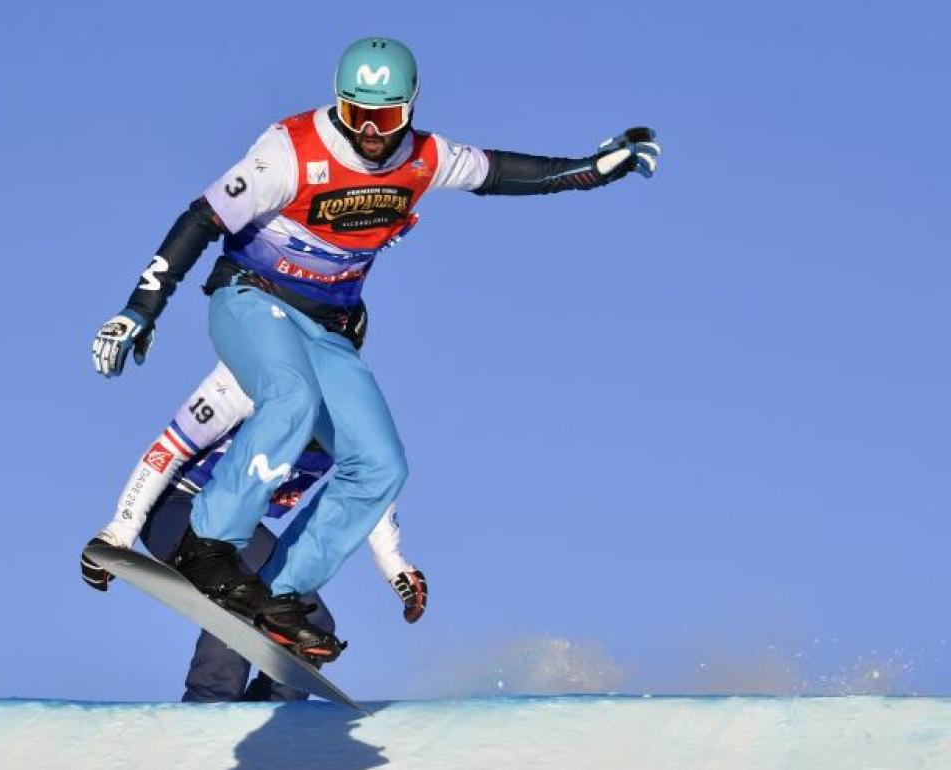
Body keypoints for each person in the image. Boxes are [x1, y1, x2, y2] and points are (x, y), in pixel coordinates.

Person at [90, 37, 660, 661]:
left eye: (383, 118)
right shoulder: (289, 151)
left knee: (380, 464)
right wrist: (140, 309)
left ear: (408, 110)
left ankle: (278, 592)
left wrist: (591, 170)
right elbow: (202, 218)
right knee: (291, 399)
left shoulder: (425, 157)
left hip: (328, 327)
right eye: (355, 113)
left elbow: (501, 173)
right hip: (250, 297)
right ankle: (209, 547)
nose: (368, 131)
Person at [81, 361, 427, 697]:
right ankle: (209, 702)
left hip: (236, 527)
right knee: (241, 596)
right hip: (176, 507)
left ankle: (276, 719)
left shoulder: (347, 420)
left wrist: (393, 564)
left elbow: (370, 490)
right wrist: (120, 531)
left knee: (311, 625)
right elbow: (166, 450)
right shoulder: (246, 382)